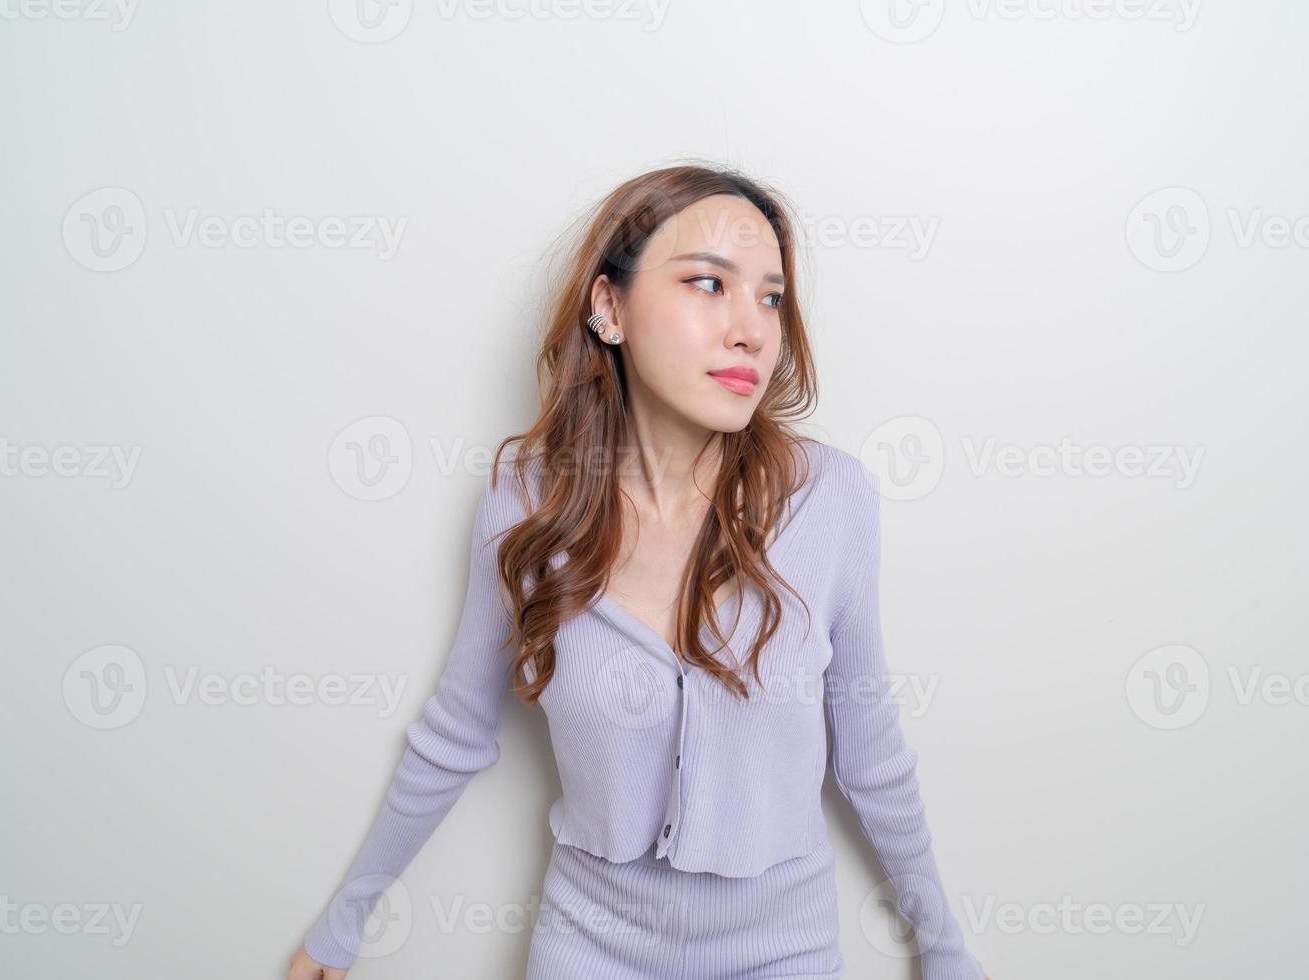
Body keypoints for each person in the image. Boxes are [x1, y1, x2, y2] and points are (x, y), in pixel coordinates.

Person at [287, 163, 987, 979]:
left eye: (770, 297)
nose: (753, 331)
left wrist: (944, 951)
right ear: (609, 308)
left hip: (785, 951)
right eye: (706, 284)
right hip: (590, 948)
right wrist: (346, 922)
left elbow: (872, 755)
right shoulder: (524, 505)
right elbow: (455, 732)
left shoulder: (832, 501)